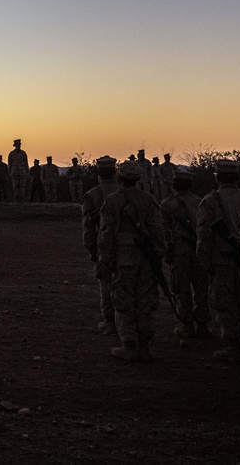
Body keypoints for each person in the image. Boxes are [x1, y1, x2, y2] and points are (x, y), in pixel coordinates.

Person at [96, 160, 166, 362]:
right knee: (145, 301)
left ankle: (129, 344)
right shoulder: (149, 199)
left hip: (122, 258)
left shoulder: (112, 201)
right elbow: (157, 231)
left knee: (123, 300)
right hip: (146, 258)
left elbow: (106, 234)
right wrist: (159, 255)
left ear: (120, 178)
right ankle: (145, 346)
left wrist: (105, 260)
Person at [196, 160, 240, 364]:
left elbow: (204, 235)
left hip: (222, 260)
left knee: (225, 302)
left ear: (217, 177)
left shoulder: (211, 200)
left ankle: (233, 345)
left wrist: (205, 262)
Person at [159, 166, 210, 339]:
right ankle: (202, 325)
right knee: (202, 288)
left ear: (174, 184)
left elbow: (164, 232)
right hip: (199, 249)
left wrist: (168, 253)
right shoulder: (200, 202)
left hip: (180, 251)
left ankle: (187, 325)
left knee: (181, 289)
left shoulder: (167, 204)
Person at [81, 155, 119, 335]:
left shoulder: (92, 195)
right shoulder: (125, 192)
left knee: (106, 284)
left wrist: (92, 249)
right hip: (129, 248)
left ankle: (111, 321)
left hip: (104, 245)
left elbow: (88, 227)